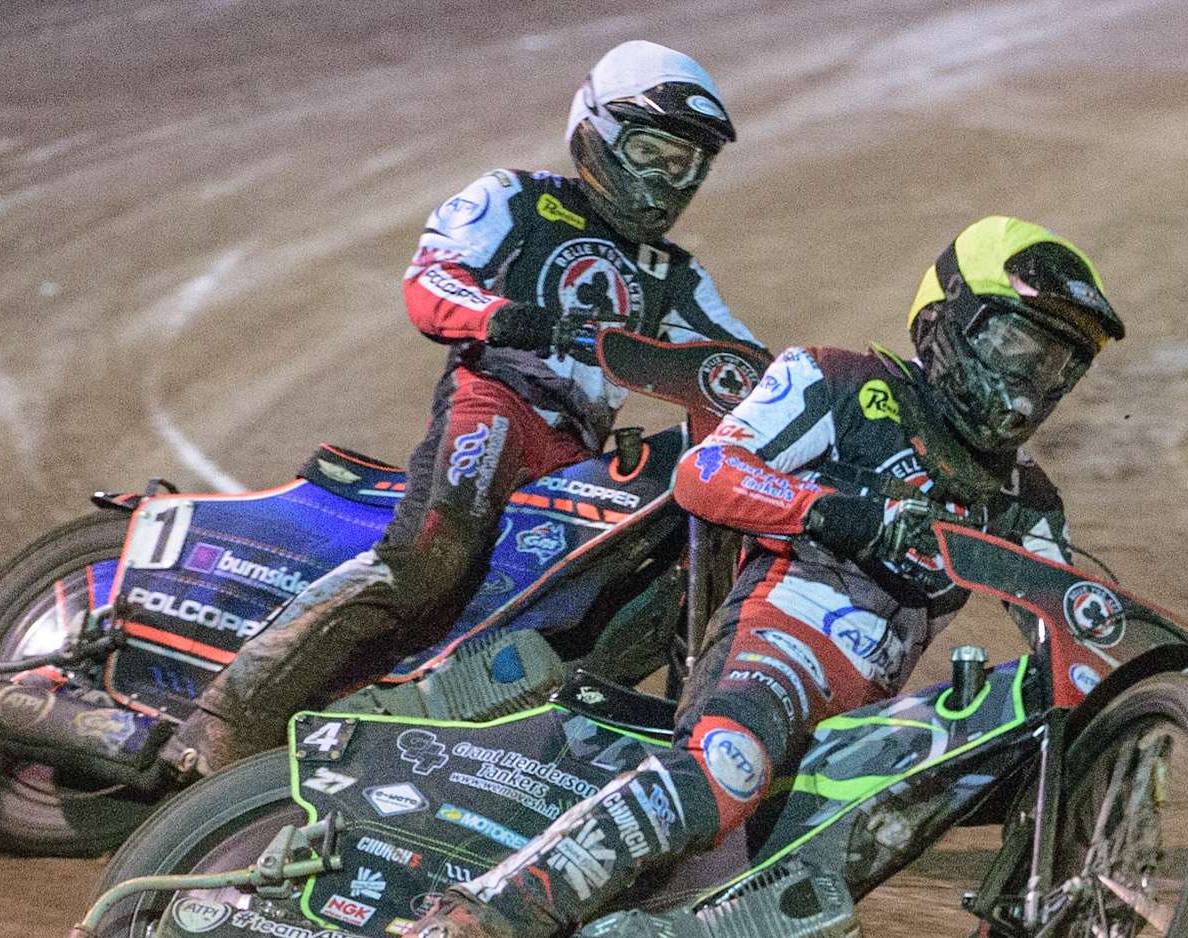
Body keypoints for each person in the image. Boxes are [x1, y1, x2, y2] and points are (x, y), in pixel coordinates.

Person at [388, 216, 1126, 938]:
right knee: (725, 765)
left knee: (1053, 743)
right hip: (776, 639)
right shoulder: (841, 380)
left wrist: (1166, 675)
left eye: (1059, 364)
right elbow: (708, 474)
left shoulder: (1028, 502)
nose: (1034, 381)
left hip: (857, 720)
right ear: (946, 322)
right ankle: (483, 912)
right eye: (1018, 345)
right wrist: (829, 511)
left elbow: (1069, 636)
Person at [157, 40, 763, 774]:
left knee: (622, 594)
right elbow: (431, 280)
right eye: (652, 150)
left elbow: (745, 365)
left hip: (578, 454)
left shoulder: (676, 275)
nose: (669, 179)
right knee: (430, 560)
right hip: (497, 402)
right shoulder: (516, 198)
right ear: (597, 132)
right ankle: (228, 715)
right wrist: (503, 317)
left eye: (687, 162)